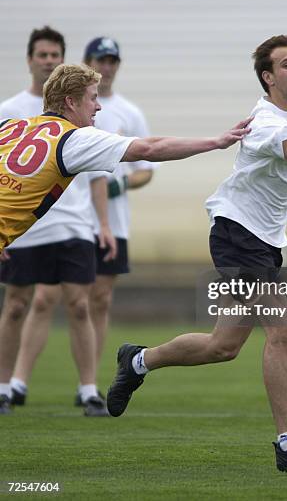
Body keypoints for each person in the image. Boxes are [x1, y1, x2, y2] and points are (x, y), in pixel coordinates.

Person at [106, 35, 287, 475]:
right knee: (282, 331)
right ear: (268, 77)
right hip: (236, 235)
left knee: (222, 346)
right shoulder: (267, 124)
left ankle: (137, 360)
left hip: (263, 240)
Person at [0, 62, 252, 415]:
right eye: (92, 98)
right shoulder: (73, 139)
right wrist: (216, 141)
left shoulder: (13, 126)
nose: (98, 106)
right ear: (71, 102)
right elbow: (149, 148)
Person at [0, 26, 116, 417]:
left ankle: (88, 389)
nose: (48, 60)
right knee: (17, 304)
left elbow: (98, 174)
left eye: (55, 55)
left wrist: (102, 223)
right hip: (26, 226)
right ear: (31, 60)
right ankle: (8, 386)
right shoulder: (11, 110)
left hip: (73, 223)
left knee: (80, 305)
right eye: (42, 54)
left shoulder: (84, 109)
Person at [82, 37, 154, 383]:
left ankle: (91, 381)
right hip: (77, 219)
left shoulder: (130, 111)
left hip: (115, 221)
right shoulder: (75, 108)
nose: (107, 67)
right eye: (100, 60)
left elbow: (146, 169)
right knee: (60, 300)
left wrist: (123, 184)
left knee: (99, 299)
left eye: (112, 61)